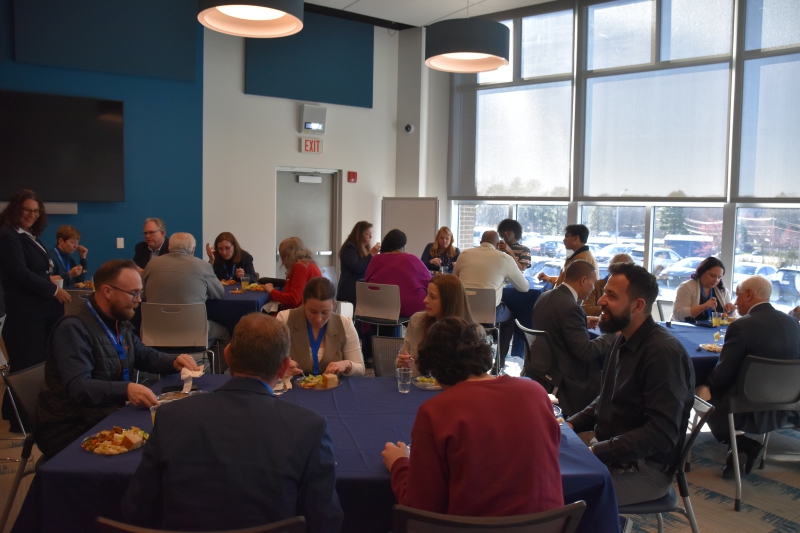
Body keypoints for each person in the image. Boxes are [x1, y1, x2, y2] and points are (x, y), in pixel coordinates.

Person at [121, 313, 343, 532]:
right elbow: (325, 521)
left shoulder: (170, 417)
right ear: (284, 368)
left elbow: (137, 510)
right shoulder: (309, 428)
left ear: (227, 355)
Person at [382, 317, 563, 517]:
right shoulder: (535, 392)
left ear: (433, 368)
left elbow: (420, 509)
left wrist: (399, 465)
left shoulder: (435, 411)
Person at [36, 259, 199, 458]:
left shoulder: (117, 320)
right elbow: (79, 387)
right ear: (107, 291)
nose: (139, 300)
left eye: (140, 293)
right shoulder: (73, 328)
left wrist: (173, 361)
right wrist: (127, 389)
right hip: (71, 427)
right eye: (133, 293)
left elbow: (142, 354)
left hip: (106, 413)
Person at [567, 263, 695, 507]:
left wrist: (596, 453)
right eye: (604, 291)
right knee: (545, 474)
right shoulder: (623, 337)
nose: (601, 300)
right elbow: (607, 397)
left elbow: (661, 434)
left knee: (556, 493)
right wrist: (570, 423)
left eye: (612, 296)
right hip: (613, 456)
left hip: (643, 471)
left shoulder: (663, 353)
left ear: (638, 305)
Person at [695, 275, 800, 479]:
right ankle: (741, 447)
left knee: (697, 392)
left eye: (738, 295)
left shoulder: (742, 325)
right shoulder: (793, 324)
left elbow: (723, 374)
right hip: (787, 405)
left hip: (746, 406)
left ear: (749, 294)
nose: (735, 302)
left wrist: (706, 383)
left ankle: (742, 444)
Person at [524, 260, 613, 415]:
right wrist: (612, 336)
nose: (593, 289)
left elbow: (553, 325)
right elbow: (585, 352)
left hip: (540, 368)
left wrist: (583, 321)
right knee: (609, 374)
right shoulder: (571, 307)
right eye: (593, 283)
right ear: (583, 280)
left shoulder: (545, 296)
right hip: (564, 375)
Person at [0, 189, 70, 373]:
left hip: (38, 313)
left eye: (36, 211)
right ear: (16, 209)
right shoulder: (9, 235)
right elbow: (19, 272)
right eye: (27, 210)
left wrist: (47, 278)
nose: (32, 215)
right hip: (23, 316)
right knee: (26, 370)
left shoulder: (27, 234)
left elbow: (32, 269)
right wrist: (53, 290)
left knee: (41, 367)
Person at [453, 231, 528, 369]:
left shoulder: (464, 255)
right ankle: (499, 363)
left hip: (462, 311)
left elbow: (454, 280)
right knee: (509, 318)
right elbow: (524, 288)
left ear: (481, 241)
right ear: (498, 244)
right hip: (489, 313)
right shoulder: (504, 258)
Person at [142, 232, 229, 347]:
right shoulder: (203, 266)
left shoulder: (151, 265)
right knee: (225, 334)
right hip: (193, 332)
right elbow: (219, 293)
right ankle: (211, 364)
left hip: (153, 333)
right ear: (193, 249)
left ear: (169, 247)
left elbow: (142, 295)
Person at [276, 277, 365, 377]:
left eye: (325, 312)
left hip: (332, 389)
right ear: (303, 302)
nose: (318, 319)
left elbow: (360, 369)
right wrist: (281, 368)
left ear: (334, 305)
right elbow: (267, 362)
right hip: (293, 388)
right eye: (313, 312)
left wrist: (347, 365)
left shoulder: (344, 324)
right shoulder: (285, 319)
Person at [397, 274, 476, 376]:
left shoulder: (473, 331)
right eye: (427, 294)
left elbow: (474, 375)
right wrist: (402, 362)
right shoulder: (417, 321)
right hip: (418, 387)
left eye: (432, 297)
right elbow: (401, 358)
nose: (425, 300)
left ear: (448, 301)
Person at [364, 229, 430, 319]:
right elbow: (429, 282)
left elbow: (366, 281)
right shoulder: (412, 259)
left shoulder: (375, 259)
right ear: (403, 246)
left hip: (378, 307)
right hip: (409, 308)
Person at [672, 257, 735, 323]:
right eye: (713, 276)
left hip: (714, 331)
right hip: (687, 330)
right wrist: (702, 307)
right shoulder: (686, 287)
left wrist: (730, 310)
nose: (716, 280)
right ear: (702, 272)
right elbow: (677, 315)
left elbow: (728, 318)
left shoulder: (722, 290)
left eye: (719, 277)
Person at [265, 237, 322, 311]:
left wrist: (272, 291)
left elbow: (294, 299)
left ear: (286, 255)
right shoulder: (307, 264)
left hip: (298, 313)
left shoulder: (301, 267)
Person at [336, 221, 380, 306]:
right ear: (359, 234)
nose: (371, 237)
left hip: (360, 288)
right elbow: (357, 268)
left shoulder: (363, 248)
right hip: (350, 289)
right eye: (368, 234)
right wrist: (371, 254)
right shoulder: (349, 247)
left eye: (371, 234)